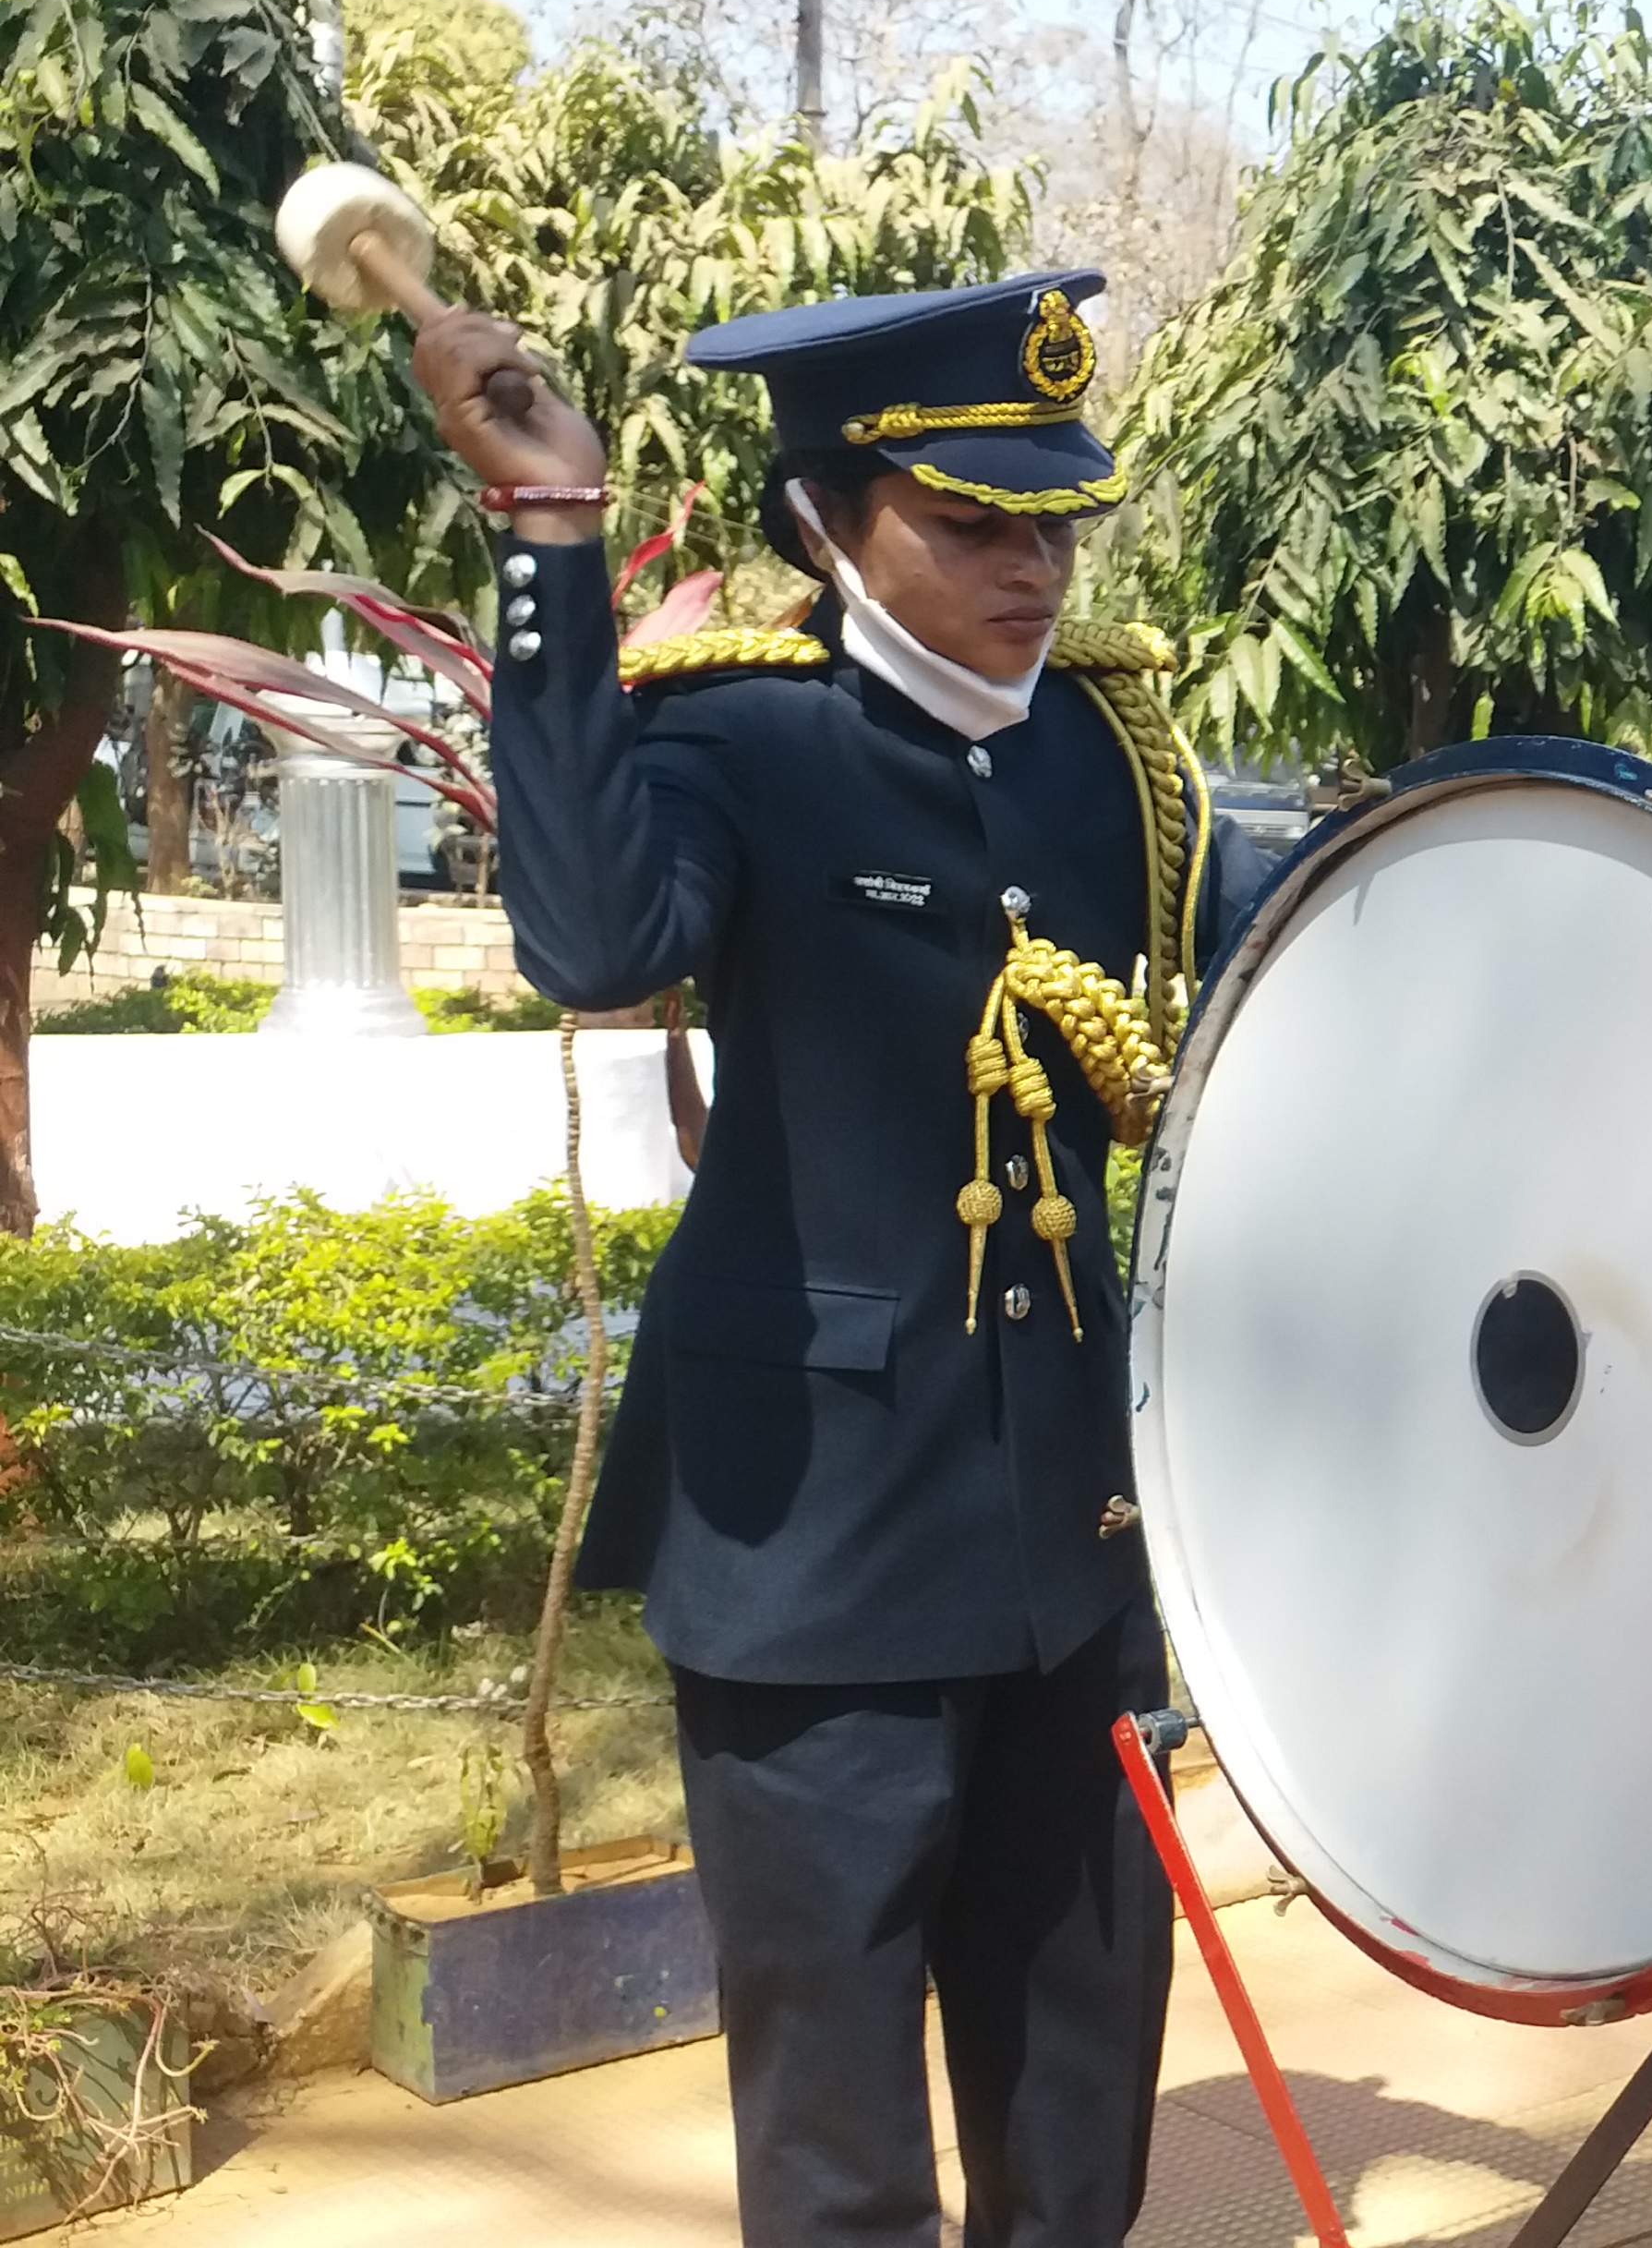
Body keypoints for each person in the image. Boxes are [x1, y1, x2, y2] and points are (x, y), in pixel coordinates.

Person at [413, 270, 1266, 2247]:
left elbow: (1312, 939)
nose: (1031, 568)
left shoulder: (1112, 762)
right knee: (839, 2136)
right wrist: (551, 537)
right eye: (972, 525)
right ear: (826, 521)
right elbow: (598, 942)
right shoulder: (743, 747)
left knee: (1078, 2106)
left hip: (1081, 1545)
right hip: (811, 1554)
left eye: (1053, 521)